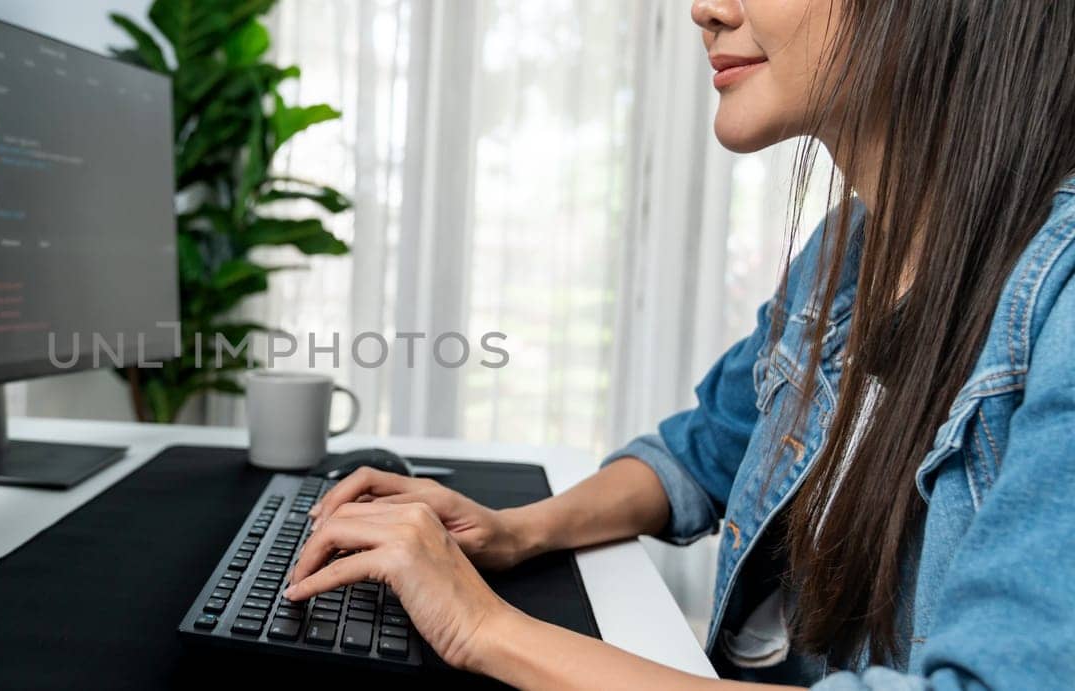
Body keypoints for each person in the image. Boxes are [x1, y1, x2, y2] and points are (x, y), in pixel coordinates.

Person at [285, 0, 1075, 688]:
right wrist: (517, 529)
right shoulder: (848, 253)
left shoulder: (1059, 298)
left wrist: (482, 628)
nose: (706, 9)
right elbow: (704, 449)